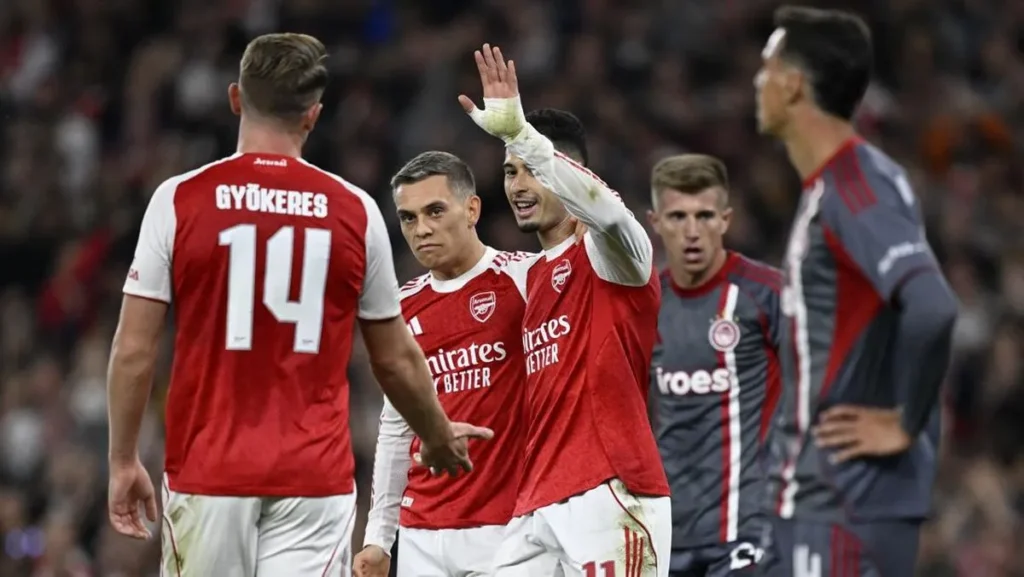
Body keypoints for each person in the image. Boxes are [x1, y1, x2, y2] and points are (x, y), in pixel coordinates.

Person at [105, 34, 491, 577]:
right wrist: (436, 433)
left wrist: (123, 460)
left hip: (208, 472)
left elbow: (134, 349)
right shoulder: (355, 212)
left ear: (236, 98)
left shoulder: (179, 199)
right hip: (313, 480)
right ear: (313, 115)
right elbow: (395, 359)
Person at [752, 7, 958, 576]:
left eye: (767, 66)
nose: (757, 81)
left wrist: (905, 421)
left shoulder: (854, 185)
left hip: (842, 499)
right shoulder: (840, 185)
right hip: (818, 498)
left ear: (793, 84)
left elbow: (933, 306)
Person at [460, 44, 672, 576]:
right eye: (510, 173)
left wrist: (522, 137)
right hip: (535, 505)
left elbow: (610, 214)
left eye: (529, 170)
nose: (518, 186)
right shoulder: (527, 277)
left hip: (610, 493)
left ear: (565, 171)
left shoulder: (613, 255)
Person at [353, 151, 535, 577]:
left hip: (509, 527)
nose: (422, 229)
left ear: (471, 209)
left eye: (435, 211)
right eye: (409, 218)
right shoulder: (401, 305)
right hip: (422, 534)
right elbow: (397, 425)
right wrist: (379, 537)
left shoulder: (526, 279)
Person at [646, 154, 783, 577]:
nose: (691, 232)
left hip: (750, 526)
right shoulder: (642, 305)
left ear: (725, 220)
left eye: (704, 216)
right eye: (678, 216)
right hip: (668, 531)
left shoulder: (768, 295)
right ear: (655, 222)